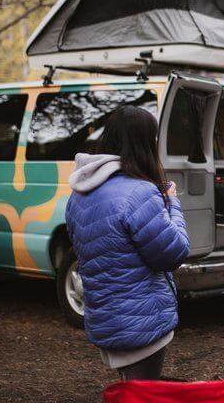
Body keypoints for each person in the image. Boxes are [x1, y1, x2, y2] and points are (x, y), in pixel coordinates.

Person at [65, 105, 189, 381]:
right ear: (143, 142)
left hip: (105, 316)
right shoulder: (140, 192)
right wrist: (172, 203)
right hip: (141, 321)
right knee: (142, 402)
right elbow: (174, 252)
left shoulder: (79, 195)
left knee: (130, 395)